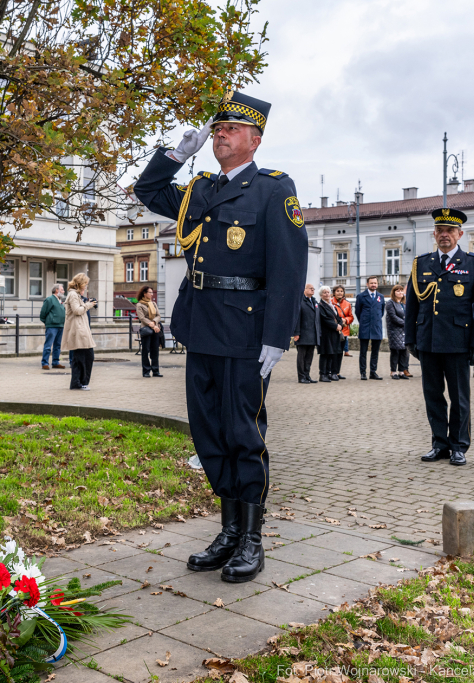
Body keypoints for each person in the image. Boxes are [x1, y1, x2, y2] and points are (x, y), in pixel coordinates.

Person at [134, 91, 307, 583]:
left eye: (231, 128)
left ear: (254, 139)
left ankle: (252, 538)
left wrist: (278, 334)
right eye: (217, 128)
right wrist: (174, 156)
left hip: (247, 330)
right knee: (209, 433)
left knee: (243, 434)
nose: (220, 133)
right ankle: (229, 530)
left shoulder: (274, 189)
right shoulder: (199, 189)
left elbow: (289, 268)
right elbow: (148, 191)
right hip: (202, 323)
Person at [405, 208, 474, 467]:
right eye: (440, 230)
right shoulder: (422, 263)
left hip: (458, 341)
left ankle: (458, 446)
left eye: (450, 231)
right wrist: (411, 338)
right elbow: (411, 304)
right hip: (428, 340)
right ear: (434, 233)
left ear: (460, 234)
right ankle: (439, 443)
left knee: (459, 397)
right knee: (433, 395)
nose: (445, 235)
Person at [62, 273, 97, 390]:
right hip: (78, 330)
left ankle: (81, 382)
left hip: (81, 329)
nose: (86, 286)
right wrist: (89, 305)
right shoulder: (73, 294)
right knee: (81, 358)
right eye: (85, 284)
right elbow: (77, 310)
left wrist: (87, 303)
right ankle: (78, 383)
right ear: (80, 283)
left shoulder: (76, 294)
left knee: (86, 357)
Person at [355, 276, 385, 380]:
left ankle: (373, 372)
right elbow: (357, 312)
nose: (373, 285)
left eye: (375, 283)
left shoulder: (381, 296)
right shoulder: (361, 296)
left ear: (377, 284)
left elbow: (381, 311)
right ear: (367, 284)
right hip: (365, 327)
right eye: (371, 283)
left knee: (375, 352)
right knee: (363, 352)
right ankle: (363, 372)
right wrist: (364, 321)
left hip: (376, 328)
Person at [292, 284, 320, 383]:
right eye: (310, 288)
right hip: (303, 334)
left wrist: (318, 333)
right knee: (301, 357)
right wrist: (296, 333)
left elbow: (317, 319)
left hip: (312, 335)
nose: (312, 290)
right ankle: (301, 377)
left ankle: (307, 375)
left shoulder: (314, 301)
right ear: (304, 290)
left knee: (309, 357)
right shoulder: (300, 301)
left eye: (313, 289)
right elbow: (296, 318)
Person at [136, 285, 163, 378]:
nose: (152, 294)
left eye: (152, 292)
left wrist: (154, 323)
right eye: (150, 292)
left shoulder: (154, 304)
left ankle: (156, 370)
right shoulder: (139, 305)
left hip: (155, 329)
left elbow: (158, 315)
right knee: (145, 350)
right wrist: (152, 324)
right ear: (144, 293)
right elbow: (142, 318)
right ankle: (146, 371)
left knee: (155, 350)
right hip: (146, 329)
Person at [316, 286, 342, 382]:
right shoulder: (320, 305)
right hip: (326, 334)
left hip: (333, 334)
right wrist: (336, 326)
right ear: (321, 295)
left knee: (331, 354)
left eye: (328, 292)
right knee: (325, 354)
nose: (327, 294)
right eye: (324, 292)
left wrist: (340, 324)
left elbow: (338, 317)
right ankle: (323, 374)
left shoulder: (332, 305)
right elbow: (325, 319)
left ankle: (329, 373)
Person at [39, 284, 66, 370]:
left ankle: (55, 362)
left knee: (57, 345)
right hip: (52, 326)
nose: (63, 291)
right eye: (62, 289)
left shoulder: (60, 301)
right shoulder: (50, 299)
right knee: (48, 345)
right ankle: (45, 363)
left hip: (60, 325)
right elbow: (43, 313)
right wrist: (47, 322)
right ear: (57, 290)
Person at [385, 284, 409, 379]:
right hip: (394, 331)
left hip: (404, 330)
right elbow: (393, 317)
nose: (400, 292)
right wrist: (406, 323)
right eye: (398, 291)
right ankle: (393, 371)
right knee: (395, 351)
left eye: (401, 290)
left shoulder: (404, 303)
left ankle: (401, 371)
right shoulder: (390, 303)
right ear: (394, 292)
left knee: (404, 351)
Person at [330, 285, 354, 374]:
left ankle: (337, 372)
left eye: (341, 291)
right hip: (334, 331)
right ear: (334, 293)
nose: (339, 293)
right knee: (333, 353)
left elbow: (351, 317)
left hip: (343, 332)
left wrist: (346, 320)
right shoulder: (331, 302)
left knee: (340, 353)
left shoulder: (347, 304)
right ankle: (331, 372)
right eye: (337, 291)